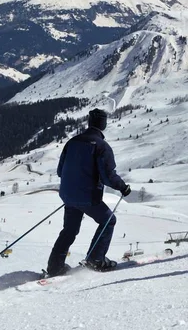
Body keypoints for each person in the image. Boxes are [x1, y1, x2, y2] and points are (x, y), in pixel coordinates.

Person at [47, 108, 131, 276]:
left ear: (89, 122)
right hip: (87, 196)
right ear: (103, 124)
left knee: (69, 230)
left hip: (68, 195)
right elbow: (108, 177)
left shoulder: (72, 142)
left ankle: (55, 267)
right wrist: (123, 187)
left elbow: (60, 170)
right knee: (108, 220)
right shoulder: (101, 146)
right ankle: (96, 259)